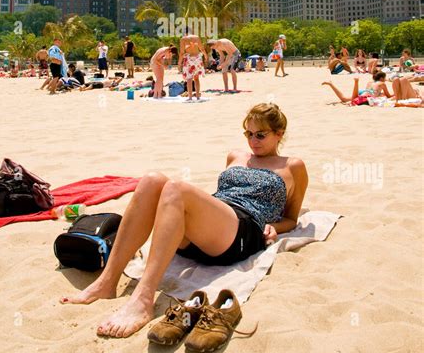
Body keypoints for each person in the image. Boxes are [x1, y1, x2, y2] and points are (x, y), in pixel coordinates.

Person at [60, 102, 309, 339]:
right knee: (152, 180)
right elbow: (219, 198)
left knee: (176, 188)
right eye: (248, 134)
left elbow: (291, 217)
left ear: (279, 134)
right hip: (213, 225)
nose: (253, 141)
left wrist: (274, 228)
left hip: (244, 229)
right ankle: (107, 282)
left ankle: (143, 299)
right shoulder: (236, 156)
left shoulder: (292, 166)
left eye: (260, 135)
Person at [322, 72, 393, 104]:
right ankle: (356, 82)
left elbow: (371, 90)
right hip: (366, 96)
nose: (385, 79)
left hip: (363, 93)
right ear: (381, 78)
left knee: (344, 99)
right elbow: (388, 95)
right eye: (384, 78)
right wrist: (395, 93)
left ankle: (331, 84)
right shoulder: (382, 83)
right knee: (345, 99)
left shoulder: (370, 82)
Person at [179, 31, 207, 101]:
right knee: (196, 78)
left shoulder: (183, 39)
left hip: (189, 59)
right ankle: (197, 96)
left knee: (189, 79)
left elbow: (182, 53)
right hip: (197, 58)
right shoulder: (196, 37)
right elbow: (202, 49)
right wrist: (206, 56)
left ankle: (190, 97)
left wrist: (179, 62)